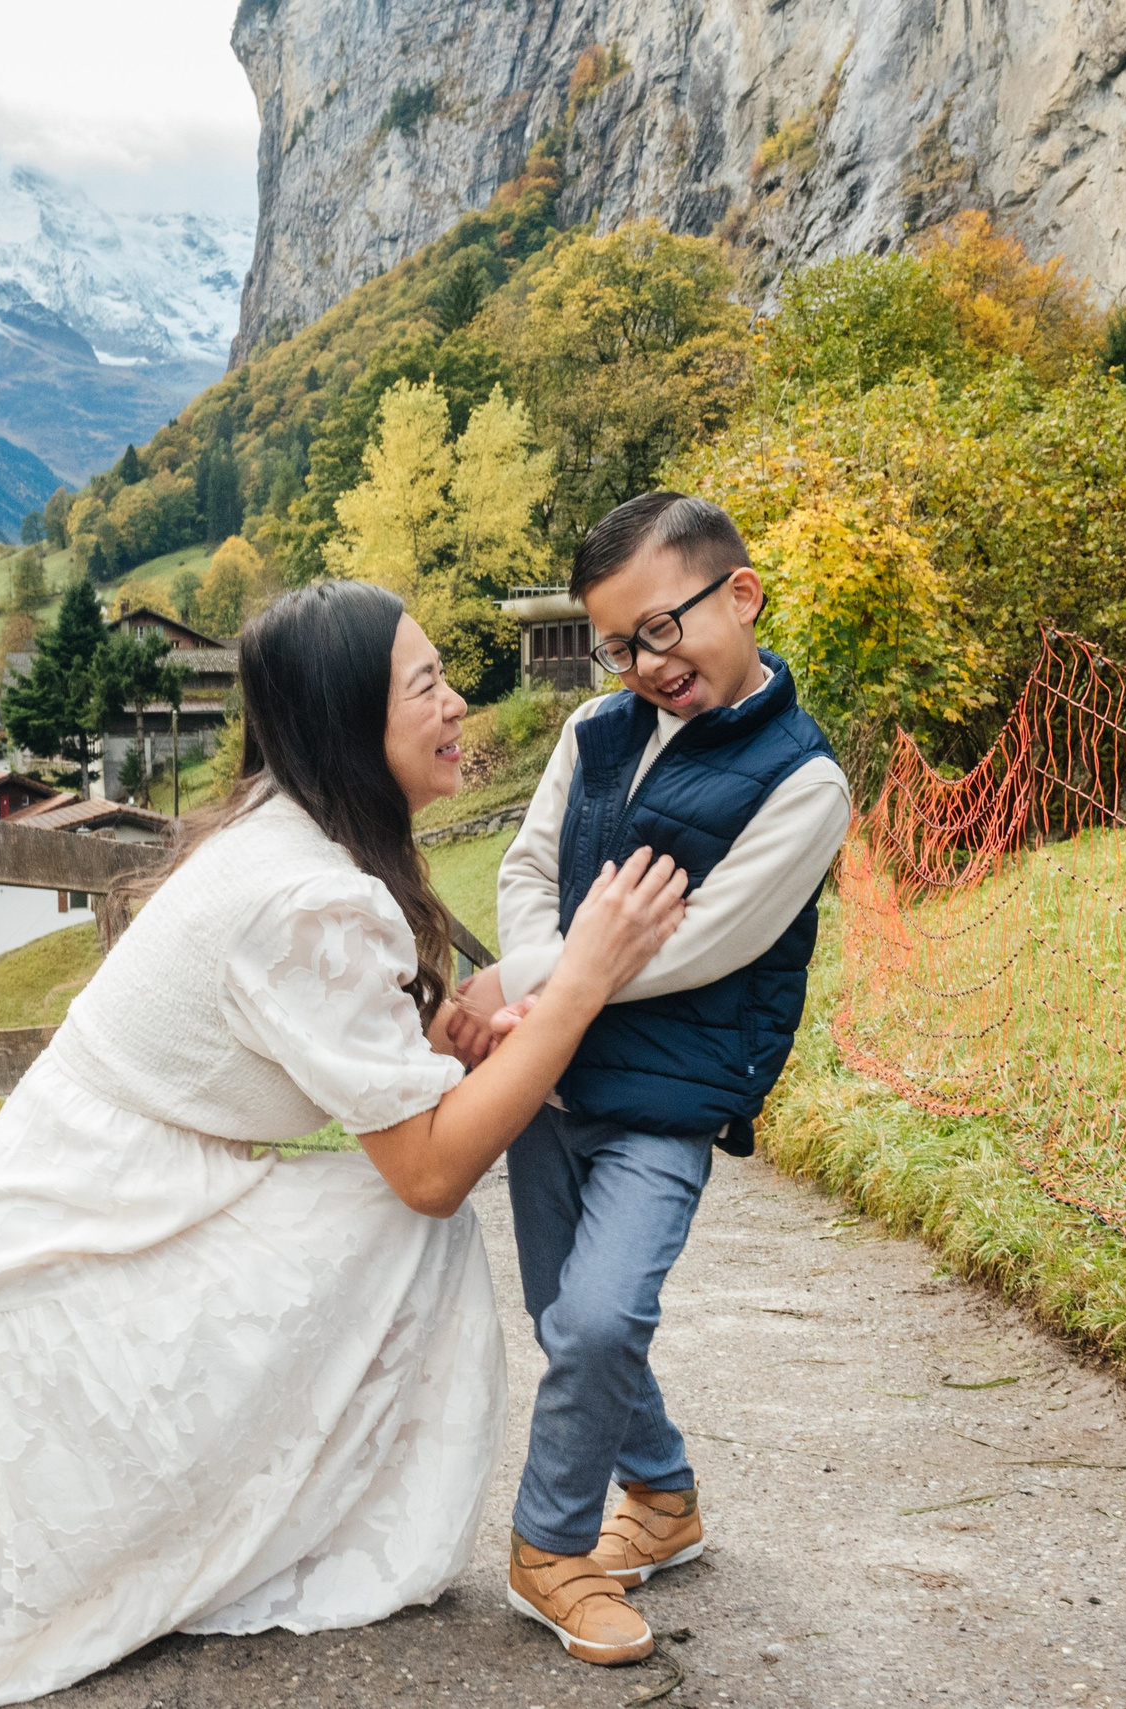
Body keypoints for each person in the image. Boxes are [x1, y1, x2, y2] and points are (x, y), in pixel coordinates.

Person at [0, 580, 688, 1709]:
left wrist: (455, 1039)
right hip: (65, 1270)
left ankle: (263, 1512)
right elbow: (428, 1169)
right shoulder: (303, 895)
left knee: (385, 1217)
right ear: (348, 724)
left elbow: (373, 1066)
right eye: (426, 685)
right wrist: (584, 980)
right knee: (411, 1230)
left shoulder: (294, 843)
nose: (458, 702)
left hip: (96, 1217)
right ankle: (295, 1529)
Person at [447, 493, 852, 1666]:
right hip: (547, 1079)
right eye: (619, 645)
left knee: (601, 1315)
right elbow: (526, 872)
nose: (645, 665)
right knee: (561, 1316)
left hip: (664, 1101)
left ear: (741, 594)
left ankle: (549, 1547)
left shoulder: (803, 784)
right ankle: (663, 1497)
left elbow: (703, 944)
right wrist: (555, 977)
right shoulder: (592, 731)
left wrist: (543, 979)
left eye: (661, 629)